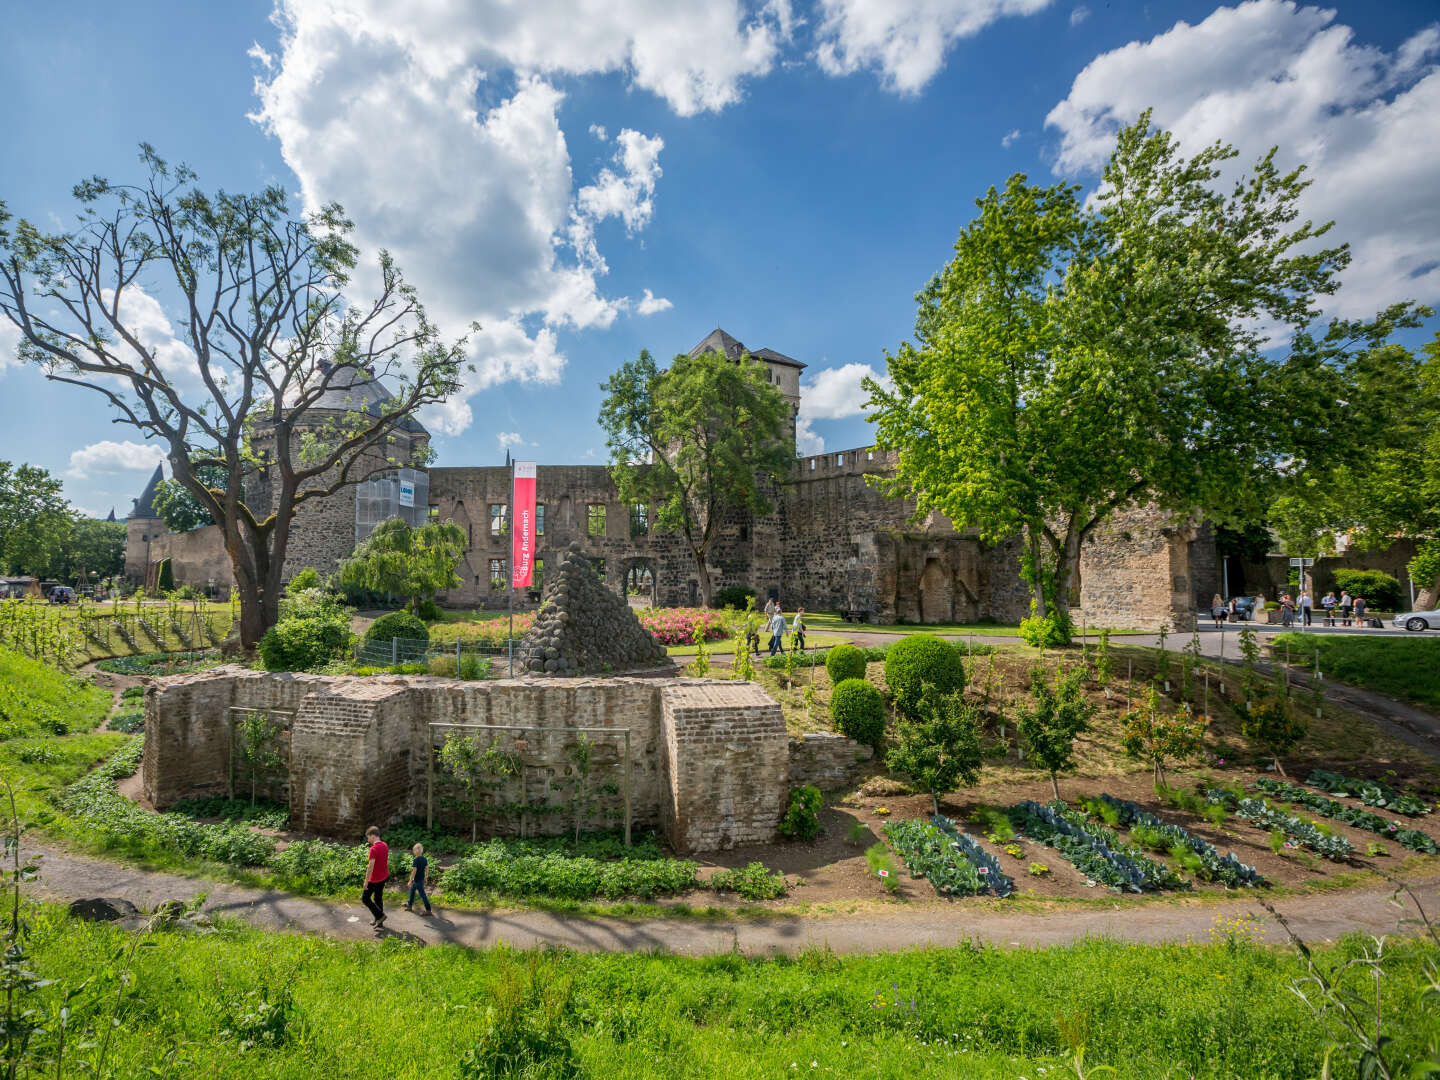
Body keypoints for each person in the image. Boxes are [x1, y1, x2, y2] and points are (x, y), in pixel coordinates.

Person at [361, 825, 388, 928]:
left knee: (365, 898)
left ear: (372, 836)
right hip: (384, 876)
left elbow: (370, 866)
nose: (368, 840)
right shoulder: (385, 845)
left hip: (375, 879)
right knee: (378, 898)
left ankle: (380, 916)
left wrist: (366, 881)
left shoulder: (373, 849)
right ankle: (379, 921)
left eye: (368, 837)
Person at [403, 843, 432, 916]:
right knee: (412, 891)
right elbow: (427, 868)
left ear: (415, 851)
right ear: (422, 851)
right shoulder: (424, 859)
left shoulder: (415, 860)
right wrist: (426, 877)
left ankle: (428, 910)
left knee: (423, 895)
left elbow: (414, 871)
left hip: (417, 881)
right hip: (420, 880)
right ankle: (409, 905)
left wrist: (410, 880)